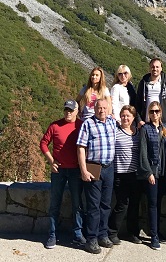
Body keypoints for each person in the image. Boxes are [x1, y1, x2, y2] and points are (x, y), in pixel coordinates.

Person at [40, 99, 85, 249]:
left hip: (75, 170)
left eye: (71, 110)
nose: (68, 112)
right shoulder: (55, 125)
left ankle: (78, 233)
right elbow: (43, 143)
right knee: (55, 203)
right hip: (58, 170)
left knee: (77, 203)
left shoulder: (81, 125)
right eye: (66, 109)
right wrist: (51, 161)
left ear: (77, 111)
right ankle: (52, 234)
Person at [76, 97, 117, 254]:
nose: (102, 110)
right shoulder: (88, 124)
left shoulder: (112, 122)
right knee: (93, 205)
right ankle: (91, 239)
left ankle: (103, 234)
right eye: (99, 108)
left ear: (108, 109)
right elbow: (80, 147)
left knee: (106, 204)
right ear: (94, 108)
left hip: (109, 167)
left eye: (104, 108)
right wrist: (84, 170)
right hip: (93, 167)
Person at [108, 105, 142, 245]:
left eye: (128, 115)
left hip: (135, 174)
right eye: (123, 115)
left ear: (133, 118)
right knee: (122, 204)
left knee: (134, 204)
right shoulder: (115, 131)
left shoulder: (138, 132)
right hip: (119, 174)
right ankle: (112, 232)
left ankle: (133, 233)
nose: (125, 118)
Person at [139, 101, 166, 250]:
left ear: (161, 112)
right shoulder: (145, 129)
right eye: (151, 112)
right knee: (152, 204)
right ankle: (153, 236)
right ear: (148, 114)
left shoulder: (164, 129)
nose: (154, 114)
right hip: (152, 172)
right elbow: (143, 152)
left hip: (163, 172)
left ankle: (157, 231)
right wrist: (148, 172)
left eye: (157, 111)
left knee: (158, 203)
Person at [135, 58, 166, 132]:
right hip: (146, 122)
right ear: (149, 68)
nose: (155, 69)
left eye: (157, 67)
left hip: (163, 123)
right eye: (153, 67)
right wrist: (139, 120)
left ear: (161, 68)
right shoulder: (144, 82)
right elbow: (138, 103)